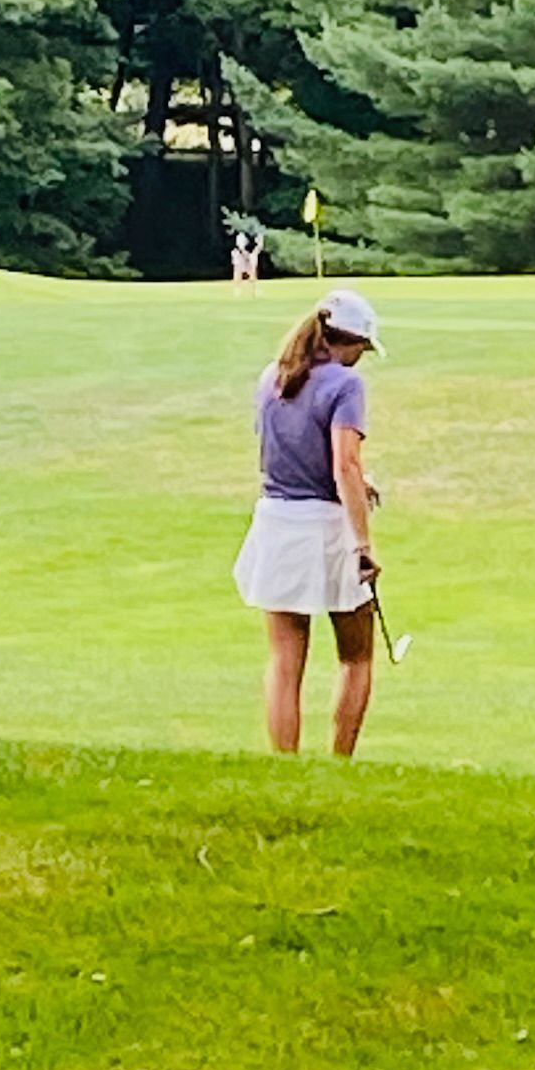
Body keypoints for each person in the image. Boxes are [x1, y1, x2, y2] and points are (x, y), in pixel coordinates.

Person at [233, 288, 385, 757]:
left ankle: (286, 765)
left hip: (277, 522)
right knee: (356, 657)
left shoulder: (273, 377)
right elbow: (344, 465)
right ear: (351, 340)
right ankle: (339, 763)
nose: (362, 358)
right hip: (326, 526)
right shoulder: (345, 384)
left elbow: (290, 453)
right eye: (363, 348)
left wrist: (362, 481)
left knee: (284, 657)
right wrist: (363, 545)